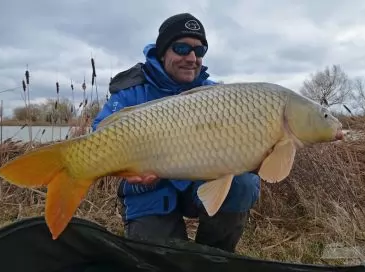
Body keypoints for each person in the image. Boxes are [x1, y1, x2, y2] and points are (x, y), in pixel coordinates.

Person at [92, 12, 260, 253]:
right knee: (160, 259)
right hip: (149, 189)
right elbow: (100, 133)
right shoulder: (133, 90)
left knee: (243, 182)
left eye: (199, 51)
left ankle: (214, 257)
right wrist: (123, 168)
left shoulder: (216, 96)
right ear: (163, 52)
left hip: (197, 186)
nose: (191, 58)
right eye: (182, 48)